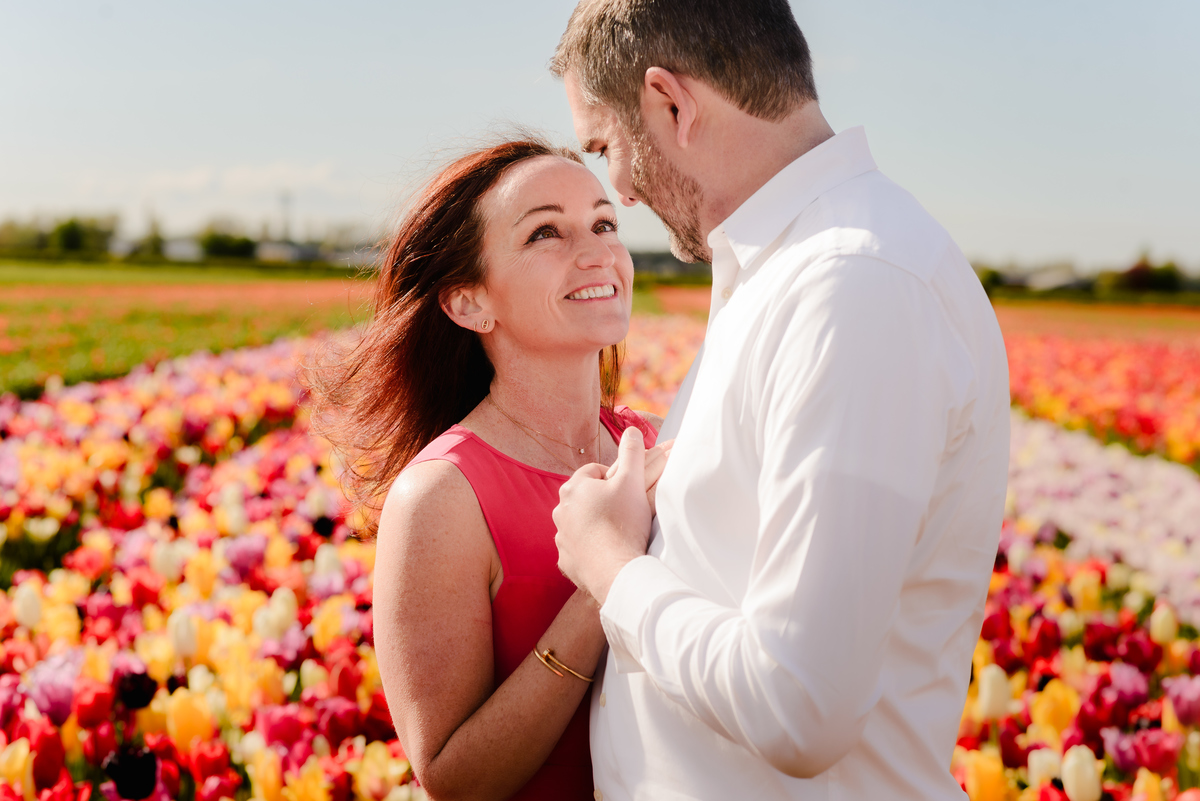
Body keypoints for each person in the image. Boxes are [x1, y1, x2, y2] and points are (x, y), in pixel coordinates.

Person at [549, 2, 1011, 800]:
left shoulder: (853, 283)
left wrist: (611, 567)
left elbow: (799, 705)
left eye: (605, 146)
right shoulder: (788, 270)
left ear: (671, 104)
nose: (617, 190)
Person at [311, 138, 671, 801]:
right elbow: (455, 777)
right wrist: (603, 579)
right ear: (469, 302)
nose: (596, 251)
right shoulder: (443, 496)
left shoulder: (655, 444)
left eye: (603, 223)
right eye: (544, 233)